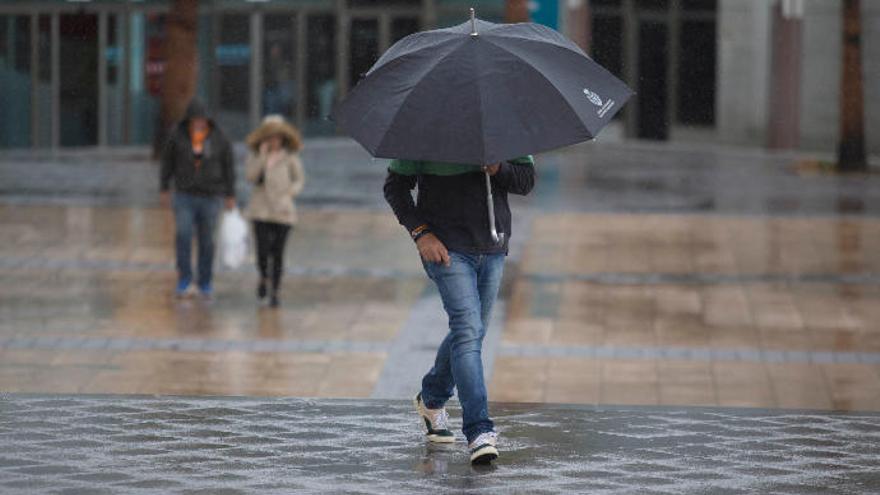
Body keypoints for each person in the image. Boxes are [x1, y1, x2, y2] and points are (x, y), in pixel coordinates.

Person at [383, 156, 536, 464]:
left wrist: (498, 168)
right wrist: (421, 233)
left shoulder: (499, 126)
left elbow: (526, 180)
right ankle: (479, 429)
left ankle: (431, 398)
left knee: (469, 333)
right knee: (468, 332)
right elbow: (395, 188)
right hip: (446, 248)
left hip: (492, 247)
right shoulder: (423, 130)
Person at [160, 100, 236, 299]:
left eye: (202, 120)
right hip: (184, 194)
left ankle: (205, 281)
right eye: (195, 120)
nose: (198, 124)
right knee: (183, 234)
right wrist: (164, 188)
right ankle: (184, 277)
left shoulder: (219, 137)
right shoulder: (177, 136)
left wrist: (230, 194)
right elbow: (167, 162)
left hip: (211, 196)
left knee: (207, 240)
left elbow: (229, 166)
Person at [244, 115, 305, 307]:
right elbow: (250, 177)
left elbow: (299, 179)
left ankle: (275, 290)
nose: (273, 140)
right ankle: (263, 277)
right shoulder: (256, 155)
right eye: (269, 136)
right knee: (262, 250)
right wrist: (262, 158)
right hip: (260, 210)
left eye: (276, 136)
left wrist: (290, 193)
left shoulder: (290, 157)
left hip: (282, 211)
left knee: (278, 252)